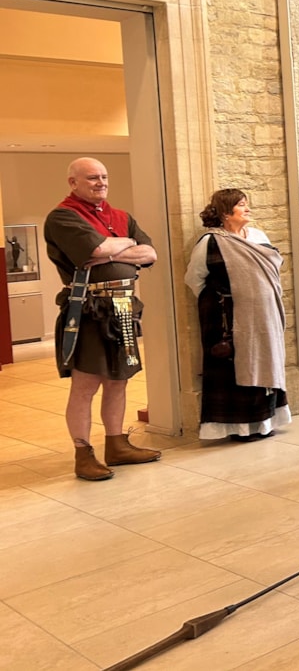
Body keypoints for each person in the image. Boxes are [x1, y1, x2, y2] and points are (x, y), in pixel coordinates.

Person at [44, 157, 161, 481]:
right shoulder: (63, 216)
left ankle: (116, 445)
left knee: (118, 380)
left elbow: (150, 253)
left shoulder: (121, 216)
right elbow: (94, 249)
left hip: (122, 308)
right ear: (73, 182)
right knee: (85, 384)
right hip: (89, 310)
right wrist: (117, 247)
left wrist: (109, 251)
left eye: (104, 177)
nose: (101, 183)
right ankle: (83, 454)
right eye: (92, 178)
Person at [184, 189, 290, 441]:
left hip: (266, 315)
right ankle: (240, 427)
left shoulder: (258, 236)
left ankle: (265, 422)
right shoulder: (210, 242)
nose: (247, 209)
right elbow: (194, 279)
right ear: (225, 212)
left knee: (266, 360)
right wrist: (225, 301)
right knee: (235, 370)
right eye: (241, 205)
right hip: (229, 321)